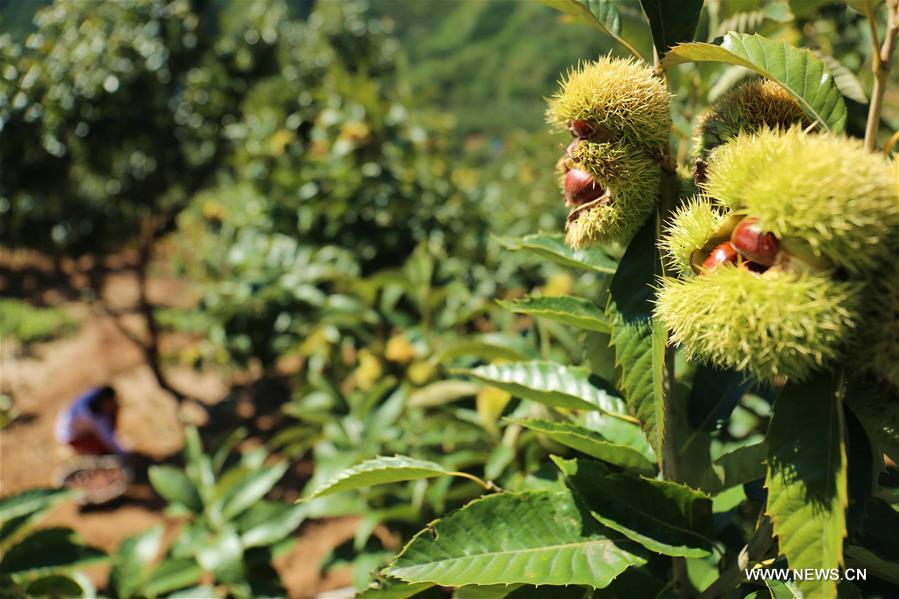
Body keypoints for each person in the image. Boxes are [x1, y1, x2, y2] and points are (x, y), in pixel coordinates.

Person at [55, 386, 127, 456]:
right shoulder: (90, 414)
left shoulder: (94, 395)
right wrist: (123, 453)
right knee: (105, 451)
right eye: (110, 402)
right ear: (104, 401)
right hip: (72, 437)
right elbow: (106, 437)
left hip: (80, 428)